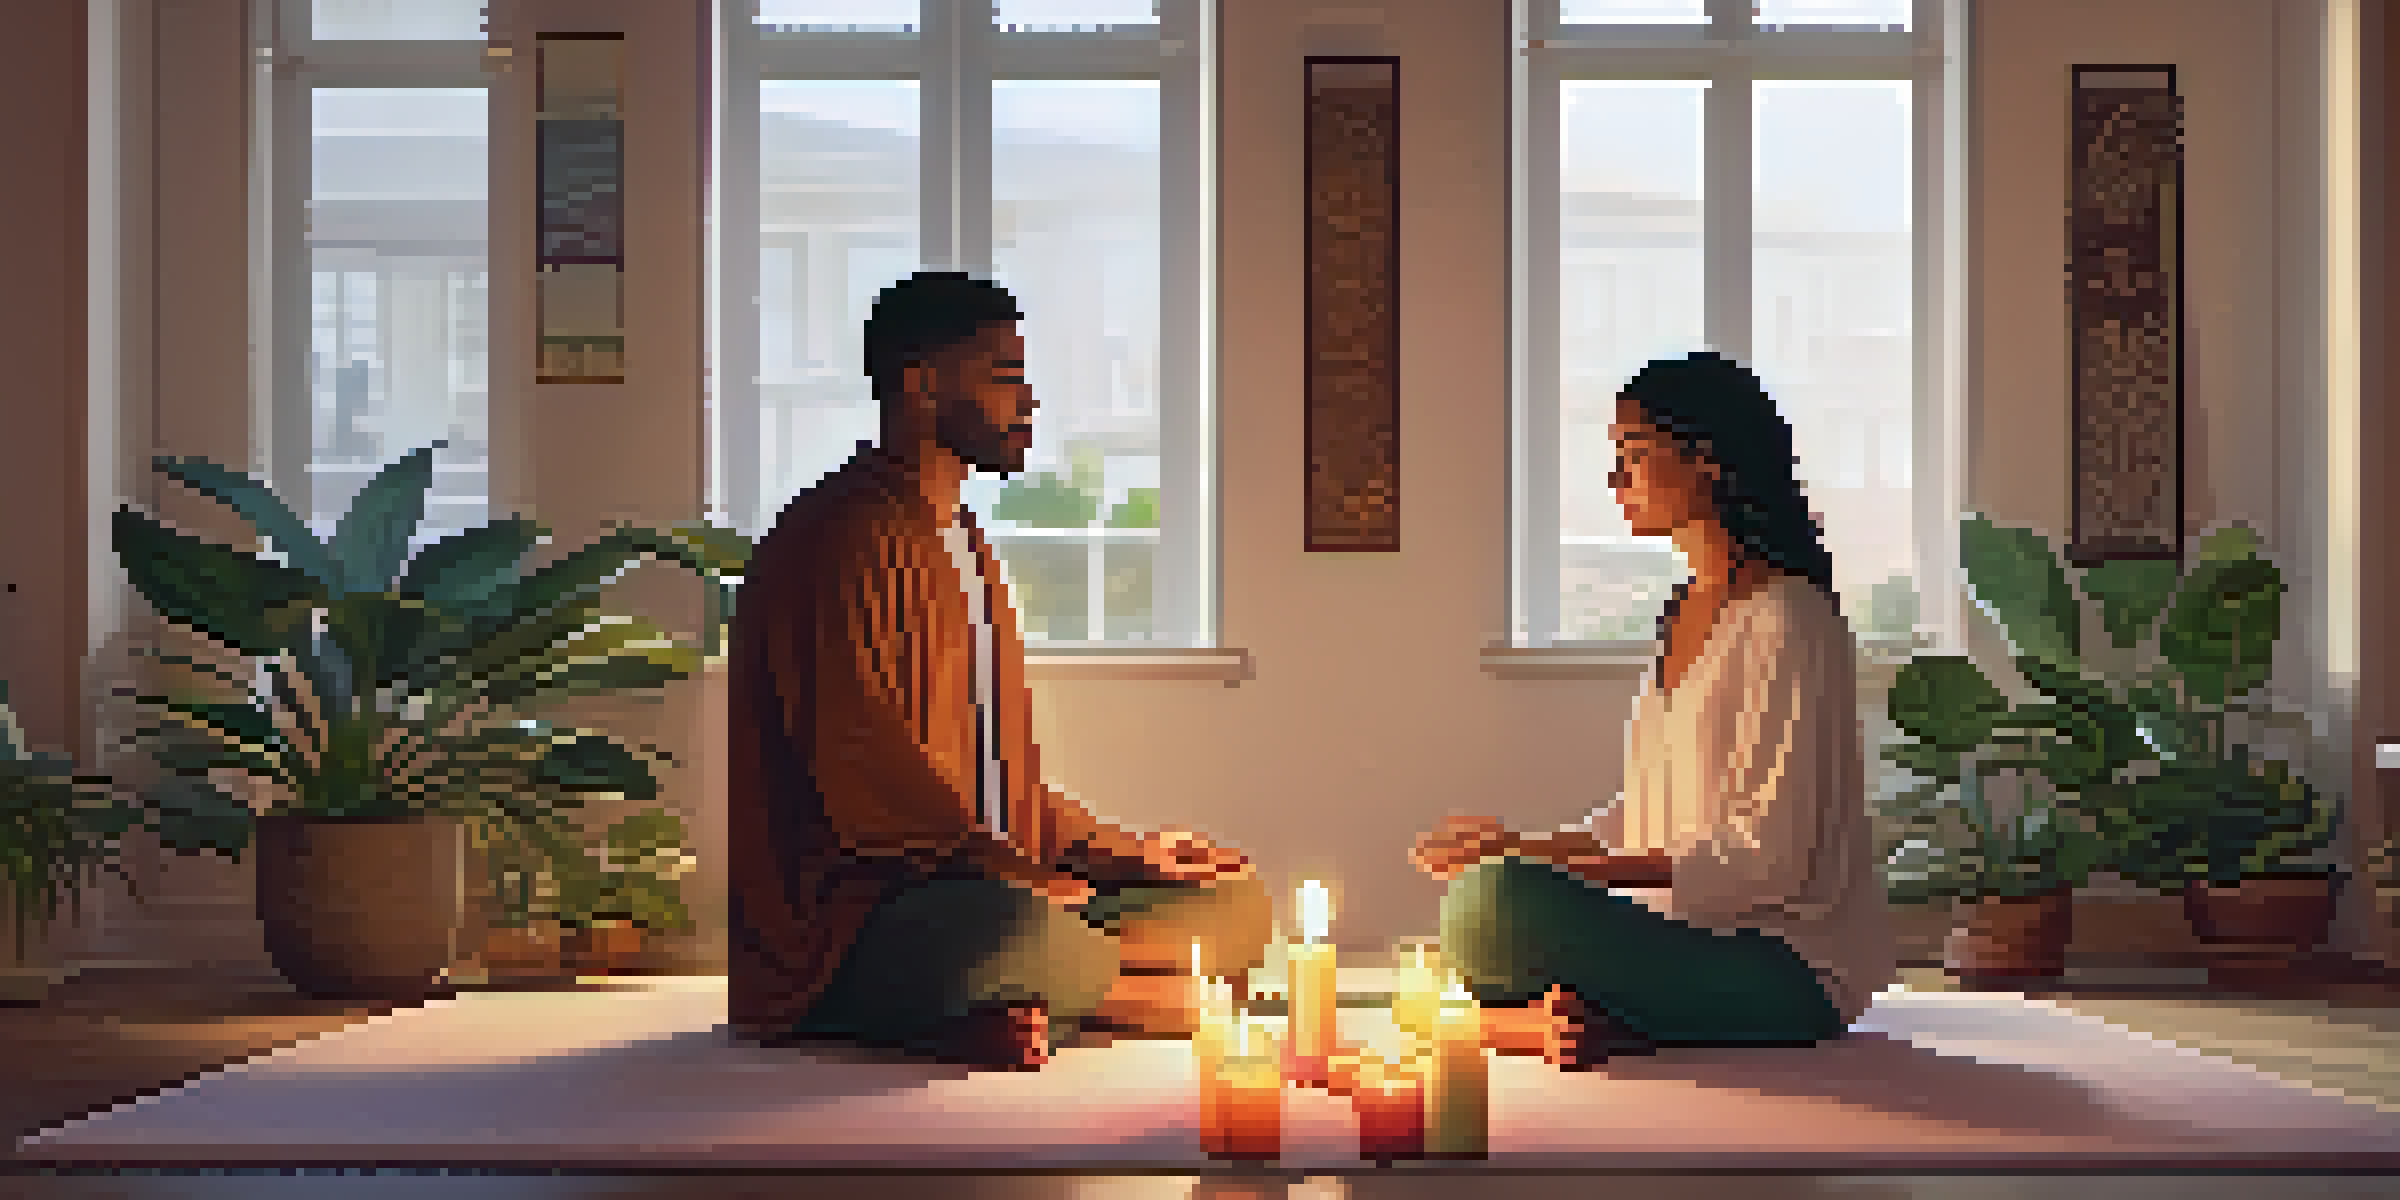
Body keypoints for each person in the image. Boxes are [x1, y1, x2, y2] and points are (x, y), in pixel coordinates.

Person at [728, 270, 1271, 1071]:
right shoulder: (842, 536)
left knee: (1233, 903)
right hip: (861, 917)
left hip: (980, 879)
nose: (1029, 403)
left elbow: (995, 784)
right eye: (1004, 378)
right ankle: (1124, 994)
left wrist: (1128, 853)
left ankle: (1045, 999)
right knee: (1014, 932)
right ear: (919, 386)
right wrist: (1012, 875)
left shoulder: (965, 542)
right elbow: (865, 778)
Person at [1410, 351, 1898, 1069]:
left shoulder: (1786, 616)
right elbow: (1643, 821)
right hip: (1683, 934)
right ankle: (1589, 1021)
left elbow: (1768, 860)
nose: (1616, 480)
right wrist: (1517, 844)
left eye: (1633, 455)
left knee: (1500, 905)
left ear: (1707, 461)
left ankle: (1573, 1019)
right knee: (1476, 909)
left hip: (1783, 968)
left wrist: (1538, 872)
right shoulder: (1683, 611)